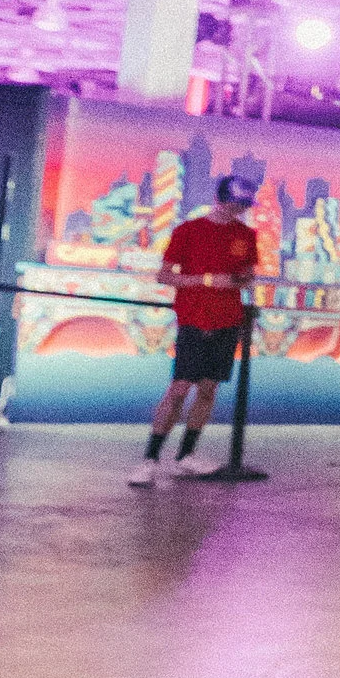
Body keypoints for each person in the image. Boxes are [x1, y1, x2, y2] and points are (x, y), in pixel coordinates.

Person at [129, 176, 261, 482]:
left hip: (228, 320)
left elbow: (247, 275)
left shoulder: (246, 235)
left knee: (208, 389)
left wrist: (240, 280)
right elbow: (164, 276)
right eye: (235, 203)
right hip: (194, 318)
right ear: (220, 198)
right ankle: (150, 459)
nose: (239, 210)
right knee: (178, 389)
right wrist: (205, 280)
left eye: (243, 205)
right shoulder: (187, 231)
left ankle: (185, 455)